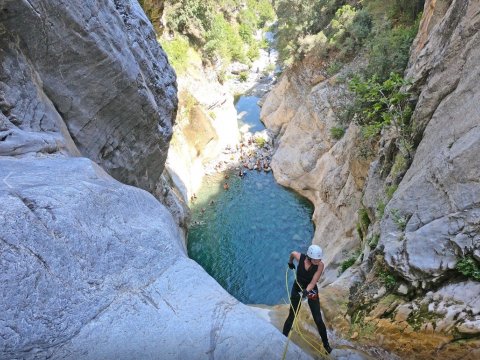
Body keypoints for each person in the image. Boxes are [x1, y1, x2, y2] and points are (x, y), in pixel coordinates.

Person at [283, 244, 332, 354]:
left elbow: (313, 282)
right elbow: (292, 253)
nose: (318, 261)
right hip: (297, 287)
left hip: (311, 290)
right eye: (316, 259)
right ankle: (283, 337)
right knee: (292, 313)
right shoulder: (300, 257)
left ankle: (326, 345)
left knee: (318, 319)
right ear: (309, 257)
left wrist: (306, 291)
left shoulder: (320, 265)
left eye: (319, 259)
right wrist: (290, 263)